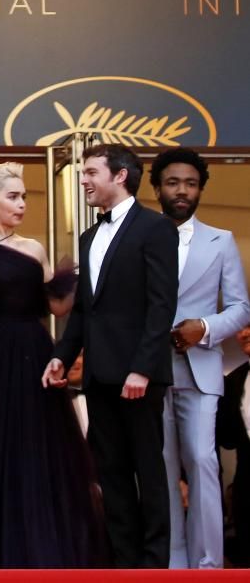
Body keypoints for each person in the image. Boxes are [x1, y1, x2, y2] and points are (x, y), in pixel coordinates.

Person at [0, 162, 104, 567]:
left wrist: (83, 271)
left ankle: (44, 549)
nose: (22, 203)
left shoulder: (35, 249)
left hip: (34, 353)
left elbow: (55, 306)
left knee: (39, 451)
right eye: (14, 196)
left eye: (24, 196)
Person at [43, 143, 179, 568]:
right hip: (99, 376)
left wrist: (142, 368)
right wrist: (62, 355)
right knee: (112, 474)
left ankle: (155, 565)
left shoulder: (156, 228)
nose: (83, 179)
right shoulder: (88, 236)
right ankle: (124, 563)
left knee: (149, 473)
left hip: (139, 377)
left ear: (120, 176)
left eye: (90, 172)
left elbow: (162, 305)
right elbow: (85, 308)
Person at [150, 147, 250, 569]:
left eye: (191, 183)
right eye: (173, 182)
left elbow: (241, 309)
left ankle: (208, 565)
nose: (182, 191)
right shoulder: (139, 237)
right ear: (156, 187)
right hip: (150, 370)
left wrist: (204, 329)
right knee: (163, 468)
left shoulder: (221, 240)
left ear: (201, 189)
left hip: (202, 368)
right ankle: (174, 563)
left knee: (203, 461)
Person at [218, 325, 250, 567]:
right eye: (240, 329)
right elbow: (226, 439)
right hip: (246, 494)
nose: (243, 334)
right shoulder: (233, 381)